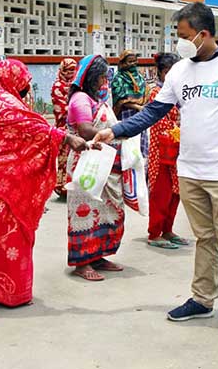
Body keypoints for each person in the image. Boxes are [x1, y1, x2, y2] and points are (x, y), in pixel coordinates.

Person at [94, 3, 218, 335]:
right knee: (204, 237)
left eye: (184, 36)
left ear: (204, 34)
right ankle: (203, 299)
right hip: (190, 170)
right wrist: (115, 131)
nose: (180, 42)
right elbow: (153, 113)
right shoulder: (179, 72)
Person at [0, 59, 89, 318]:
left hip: (7, 183)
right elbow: (34, 127)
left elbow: (26, 133)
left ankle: (12, 292)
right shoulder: (0, 104)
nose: (26, 87)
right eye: (23, 82)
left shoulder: (8, 102)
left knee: (14, 235)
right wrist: (67, 138)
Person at [67, 55, 126, 282]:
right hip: (87, 162)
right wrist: (117, 134)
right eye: (101, 76)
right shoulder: (80, 99)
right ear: (91, 77)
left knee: (106, 209)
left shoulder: (93, 98)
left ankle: (99, 255)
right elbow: (84, 130)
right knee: (85, 211)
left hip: (103, 160)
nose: (104, 81)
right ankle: (82, 262)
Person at [146, 52, 186, 249]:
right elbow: (162, 125)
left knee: (175, 193)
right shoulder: (156, 93)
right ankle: (154, 233)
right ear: (162, 73)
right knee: (161, 193)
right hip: (162, 151)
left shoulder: (179, 93)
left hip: (178, 151)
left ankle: (168, 229)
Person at [112, 50, 149, 157]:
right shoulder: (118, 78)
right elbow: (120, 100)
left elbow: (145, 93)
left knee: (140, 142)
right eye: (129, 62)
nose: (133, 64)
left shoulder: (140, 77)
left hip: (141, 112)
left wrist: (142, 106)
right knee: (127, 144)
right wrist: (137, 106)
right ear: (123, 63)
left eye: (134, 61)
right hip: (126, 114)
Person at [51, 58, 78, 198]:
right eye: (67, 70)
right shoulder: (57, 86)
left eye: (73, 70)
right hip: (63, 127)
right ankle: (62, 186)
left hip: (76, 127)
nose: (70, 73)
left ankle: (72, 185)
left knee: (74, 158)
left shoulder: (77, 85)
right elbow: (61, 108)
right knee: (64, 159)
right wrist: (78, 109)